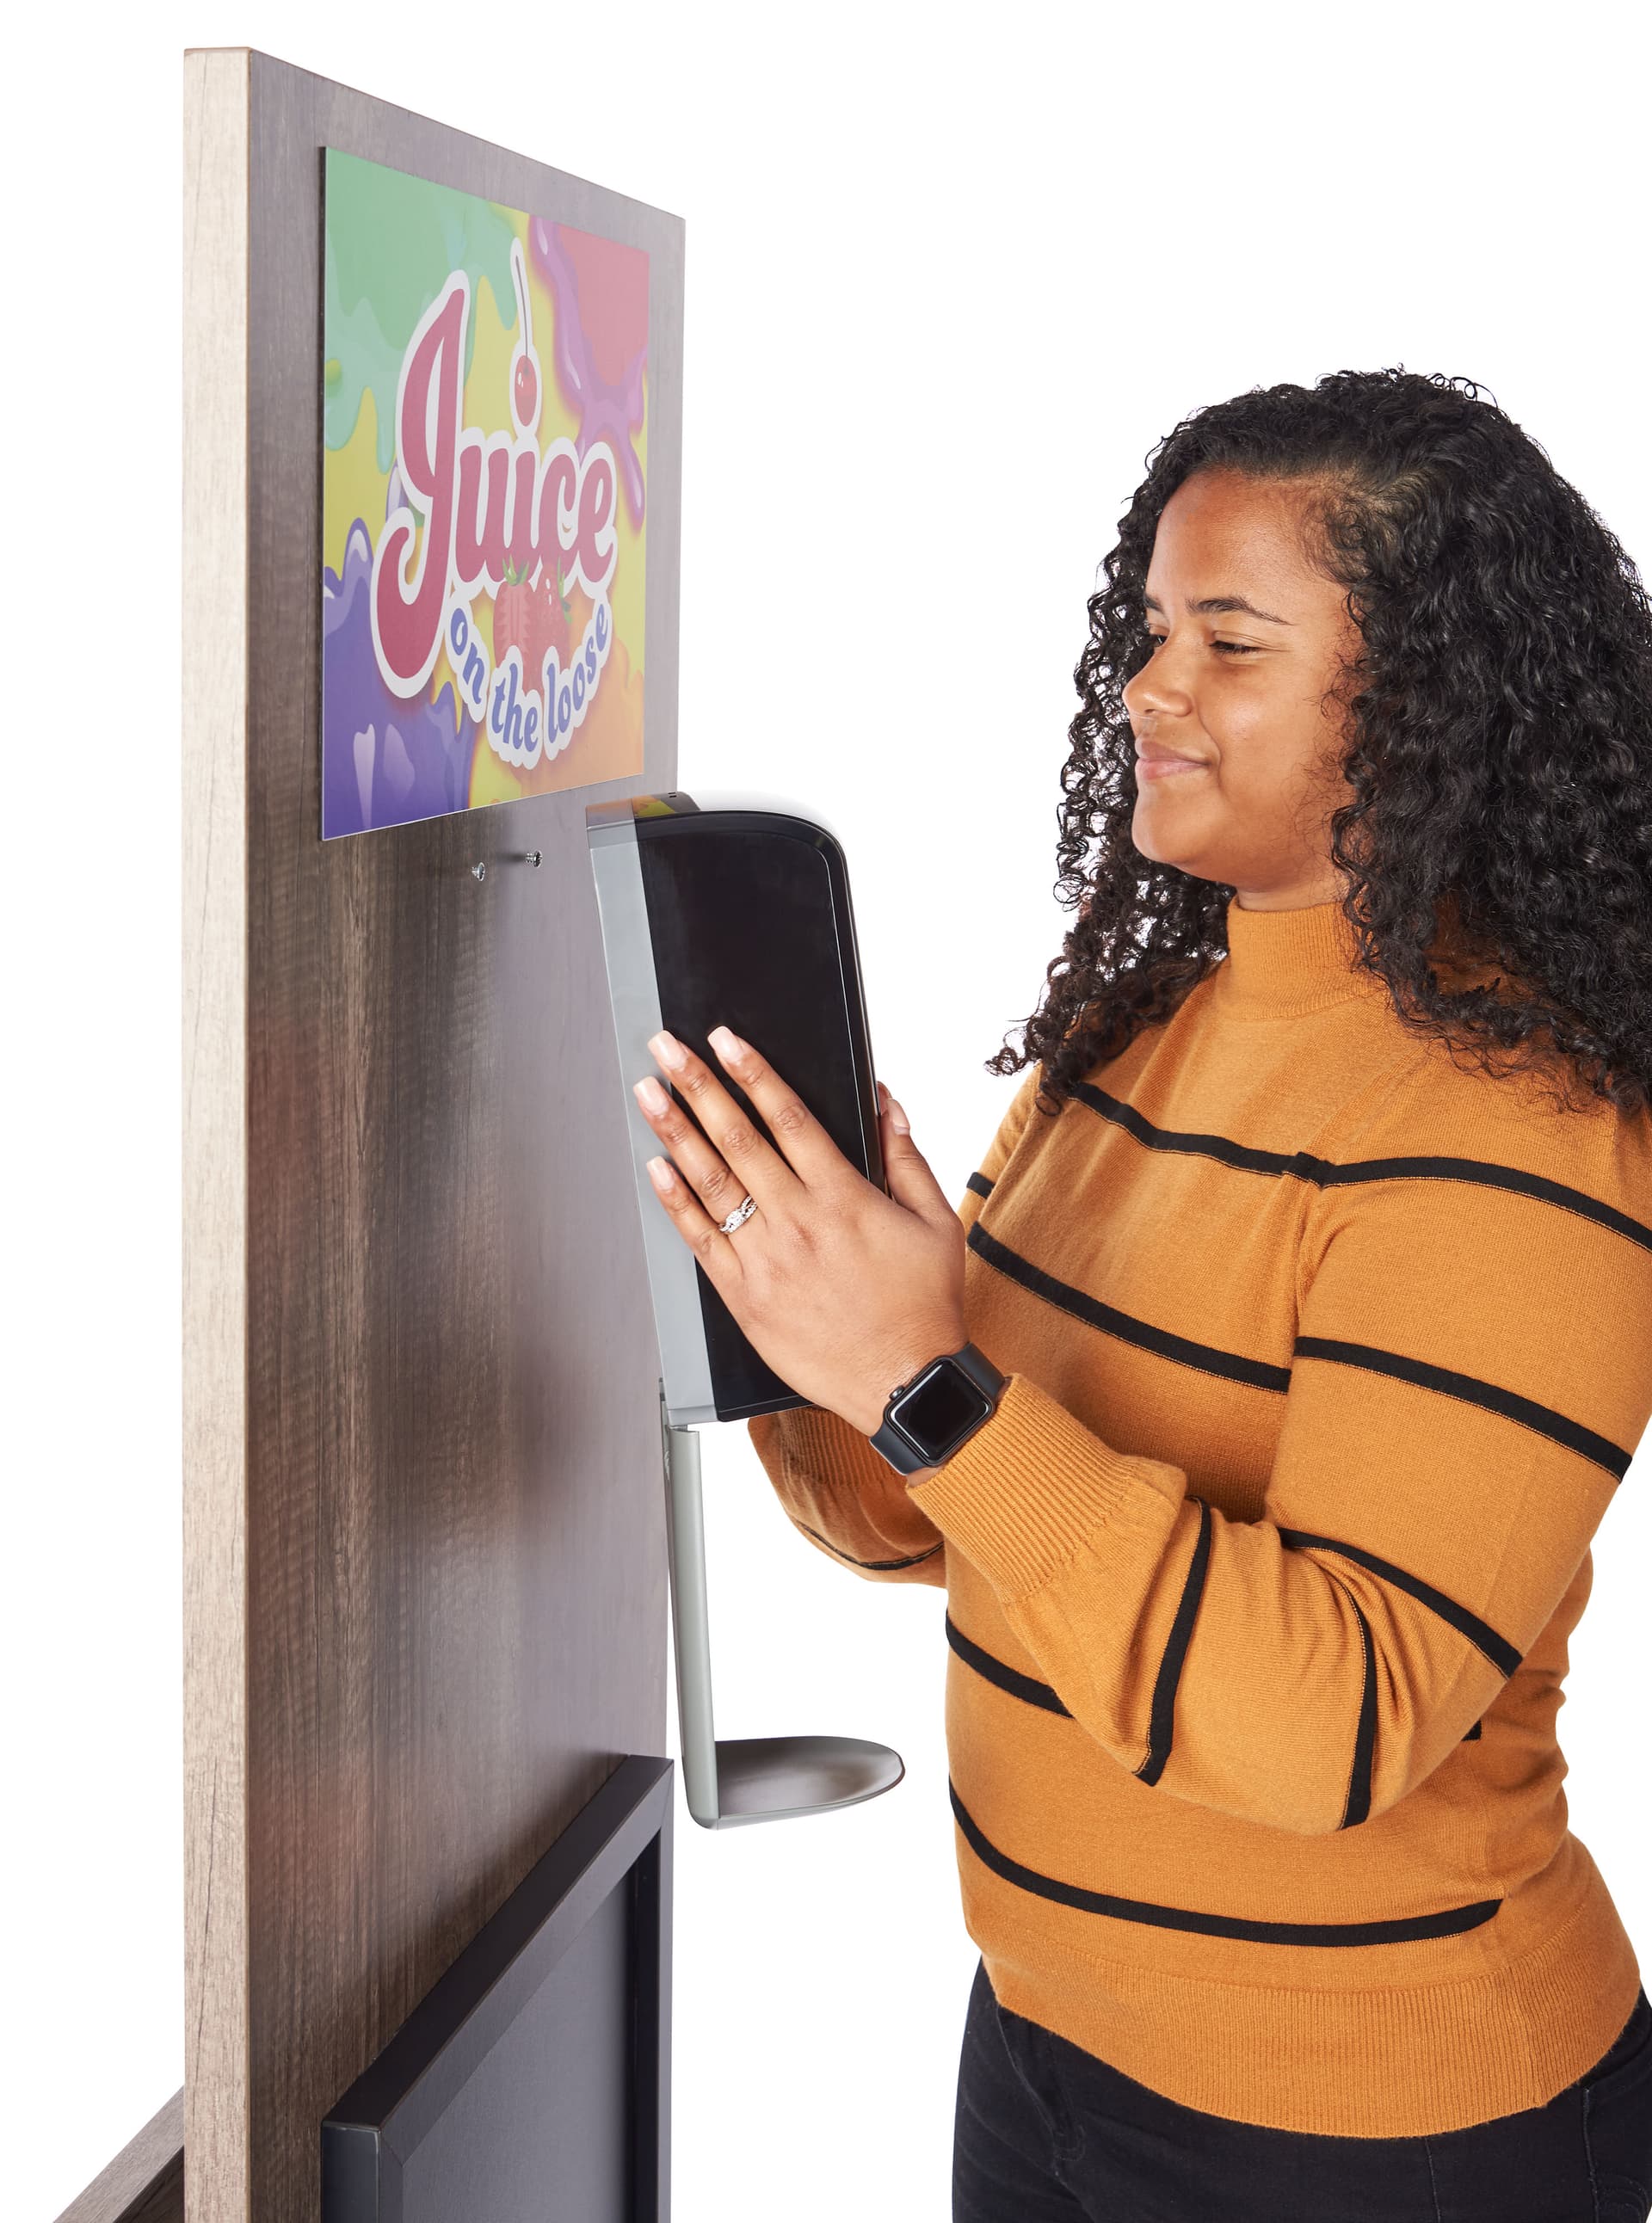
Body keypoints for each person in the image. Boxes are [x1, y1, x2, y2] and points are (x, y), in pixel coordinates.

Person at [626, 368, 1652, 2220]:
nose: (1148, 689)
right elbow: (937, 1516)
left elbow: (1329, 1719)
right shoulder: (1130, 1043)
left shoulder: (1523, 1136)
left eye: (1230, 643)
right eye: (1153, 629)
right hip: (1040, 2045)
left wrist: (926, 1376)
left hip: (1376, 2136)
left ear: (1429, 704)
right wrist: (797, 1303)